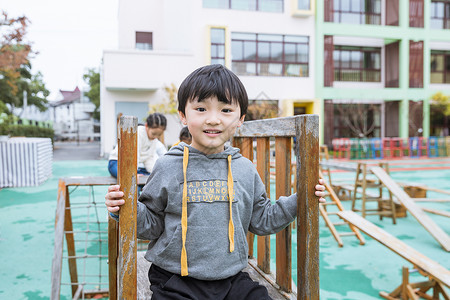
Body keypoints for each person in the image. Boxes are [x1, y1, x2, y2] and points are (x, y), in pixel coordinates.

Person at [105, 64, 326, 300]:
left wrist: (301, 198)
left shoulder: (244, 169)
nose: (213, 119)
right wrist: (125, 207)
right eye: (201, 109)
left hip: (231, 279)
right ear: (183, 115)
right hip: (174, 278)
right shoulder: (167, 166)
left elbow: (261, 220)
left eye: (226, 110)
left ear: (240, 118)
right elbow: (153, 224)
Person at [108, 113, 167, 178]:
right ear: (146, 126)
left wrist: (153, 172)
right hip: (117, 163)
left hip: (132, 166)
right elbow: (133, 156)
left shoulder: (154, 140)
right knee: (130, 179)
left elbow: (149, 158)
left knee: (148, 181)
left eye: (159, 135)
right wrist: (133, 174)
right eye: (153, 134)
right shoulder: (138, 133)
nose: (156, 137)